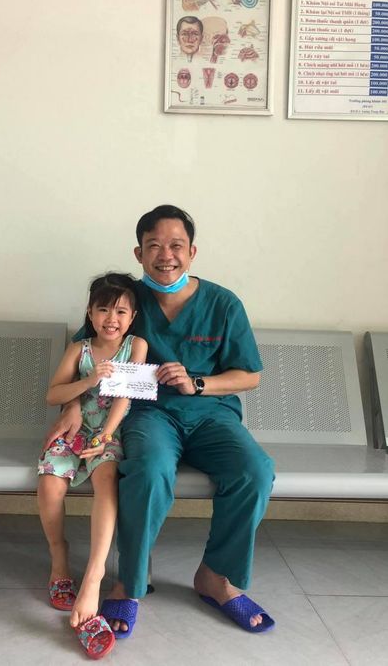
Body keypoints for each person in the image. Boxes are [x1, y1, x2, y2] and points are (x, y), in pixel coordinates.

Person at [43, 205, 275, 638]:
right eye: (154, 246)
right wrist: (71, 405)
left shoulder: (223, 304)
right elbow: (83, 358)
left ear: (192, 251)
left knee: (255, 471)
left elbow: (250, 376)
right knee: (148, 472)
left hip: (211, 415)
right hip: (145, 413)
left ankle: (217, 577)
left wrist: (198, 383)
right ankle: (128, 584)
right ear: (139, 253)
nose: (166, 255)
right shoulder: (123, 300)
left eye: (176, 246)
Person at [37, 273, 148, 646]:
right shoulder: (78, 349)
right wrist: (88, 381)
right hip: (73, 430)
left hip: (109, 432)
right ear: (90, 312)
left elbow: (125, 397)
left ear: (132, 317)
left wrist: (105, 436)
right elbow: (53, 395)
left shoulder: (136, 346)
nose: (111, 319)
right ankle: (59, 558)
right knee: (49, 484)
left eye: (121, 311)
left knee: (107, 481)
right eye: (103, 310)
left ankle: (95, 573)